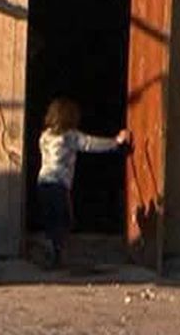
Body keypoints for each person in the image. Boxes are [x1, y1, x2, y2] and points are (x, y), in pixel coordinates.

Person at [36, 97, 130, 267]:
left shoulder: (45, 136)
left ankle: (53, 252)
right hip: (59, 184)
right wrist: (116, 142)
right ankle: (56, 255)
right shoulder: (70, 136)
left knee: (51, 219)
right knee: (65, 219)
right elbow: (90, 144)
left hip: (43, 182)